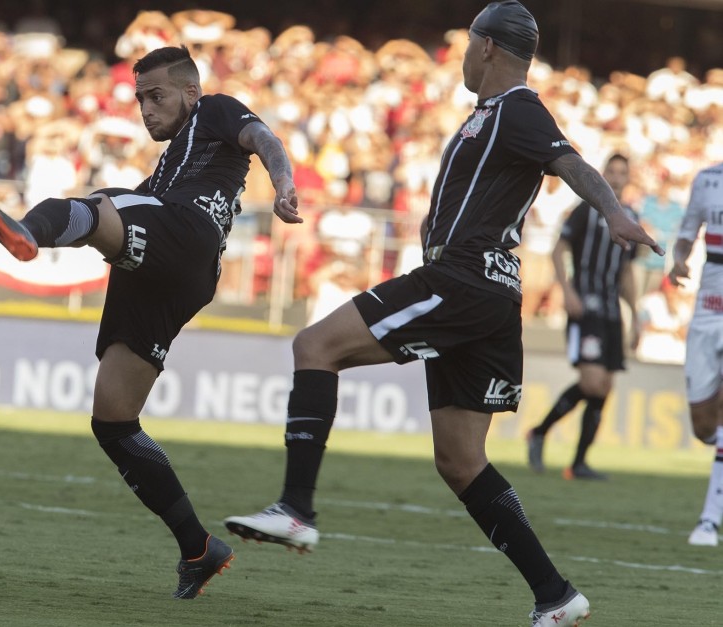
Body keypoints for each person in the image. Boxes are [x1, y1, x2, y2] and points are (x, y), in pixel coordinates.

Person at [223, 3, 661, 625]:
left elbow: (570, 162)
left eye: (466, 43)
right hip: (487, 294)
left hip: (463, 279)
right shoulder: (487, 115)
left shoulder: (517, 108)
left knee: (314, 347)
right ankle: (557, 596)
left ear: (485, 47)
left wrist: (613, 211)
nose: (460, 54)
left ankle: (296, 509)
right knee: (460, 460)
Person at [0, 45, 301, 598]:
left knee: (98, 204)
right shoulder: (169, 164)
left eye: (157, 95)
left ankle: (23, 231)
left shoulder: (213, 109)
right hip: (169, 271)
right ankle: (198, 547)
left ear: (190, 91)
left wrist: (283, 183)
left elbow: (265, 140)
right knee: (113, 421)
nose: (146, 108)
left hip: (186, 236)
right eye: (140, 98)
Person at [526, 154, 641, 481]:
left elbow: (628, 272)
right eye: (612, 172)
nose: (616, 178)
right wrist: (567, 291)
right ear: (603, 174)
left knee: (603, 386)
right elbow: (557, 249)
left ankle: (578, 463)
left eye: (622, 172)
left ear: (628, 177)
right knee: (592, 382)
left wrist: (636, 314)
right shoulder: (585, 210)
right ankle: (539, 432)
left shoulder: (630, 217)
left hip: (611, 311)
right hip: (585, 306)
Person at [668, 162, 723, 547]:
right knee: (704, 426)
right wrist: (679, 258)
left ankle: (709, 521)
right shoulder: (707, 179)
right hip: (707, 307)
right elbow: (687, 231)